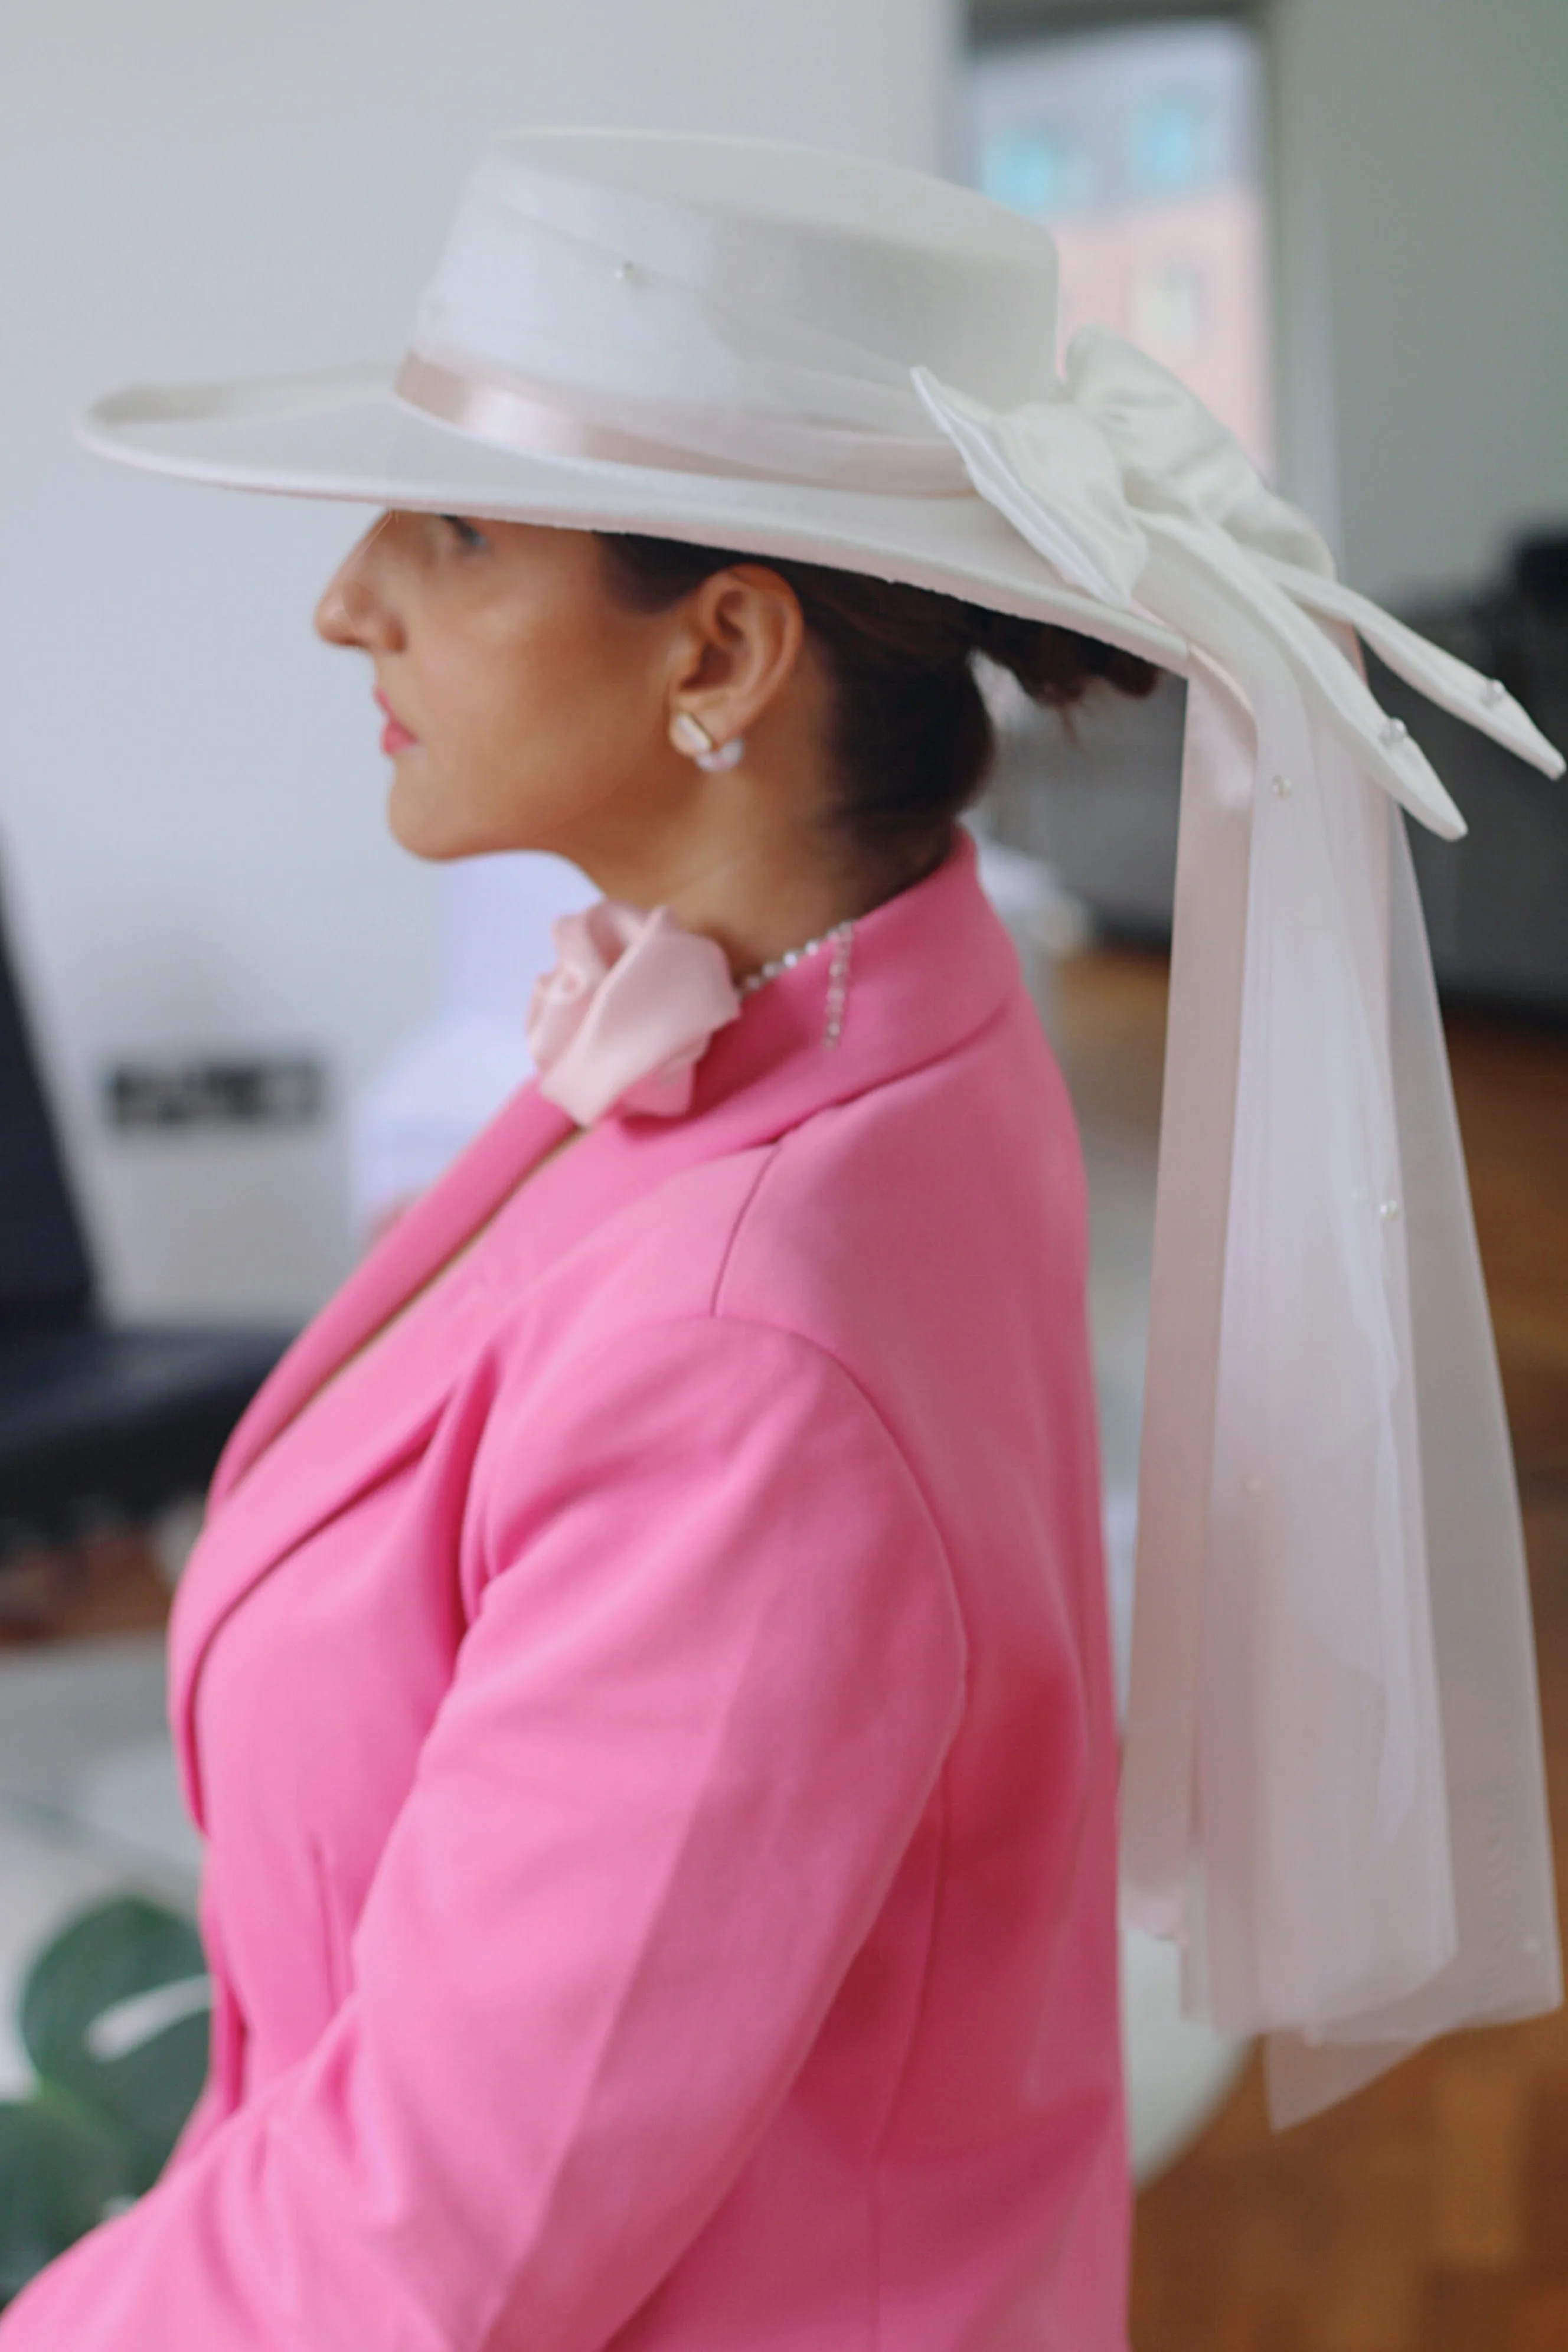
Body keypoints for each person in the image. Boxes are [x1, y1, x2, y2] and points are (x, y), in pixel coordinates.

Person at [2, 126, 1558, 2351]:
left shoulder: (750, 1344)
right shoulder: (861, 1013)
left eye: (447, 529)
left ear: (721, 644)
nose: (347, 596)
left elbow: (436, 2237)